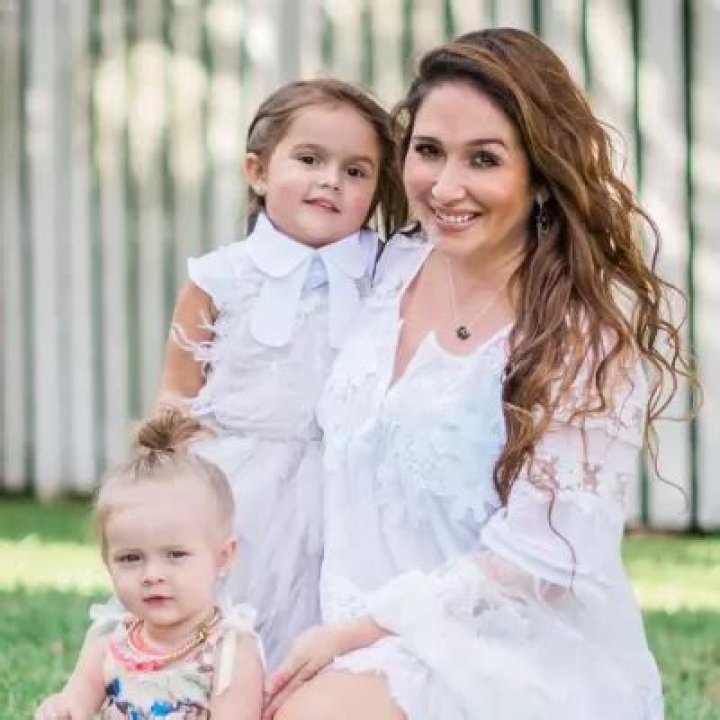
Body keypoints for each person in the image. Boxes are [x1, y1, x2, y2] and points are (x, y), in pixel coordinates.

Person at [263, 29, 694, 720]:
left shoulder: (581, 343)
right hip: (342, 634)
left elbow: (541, 561)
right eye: (429, 151)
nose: (446, 186)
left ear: (540, 174)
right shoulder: (389, 266)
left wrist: (358, 633)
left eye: (484, 159)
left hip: (504, 657)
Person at [157, 78, 406, 670]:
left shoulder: (390, 274)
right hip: (240, 484)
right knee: (230, 625)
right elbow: (178, 391)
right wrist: (167, 490)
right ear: (258, 171)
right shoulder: (219, 278)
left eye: (355, 171)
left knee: (331, 633)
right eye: (310, 160)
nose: (331, 181)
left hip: (351, 486)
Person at [34, 408, 264, 720]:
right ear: (108, 563)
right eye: (131, 558)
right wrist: (60, 708)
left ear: (223, 556)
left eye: (175, 555)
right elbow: (76, 702)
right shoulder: (109, 641)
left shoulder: (229, 652)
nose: (152, 575)